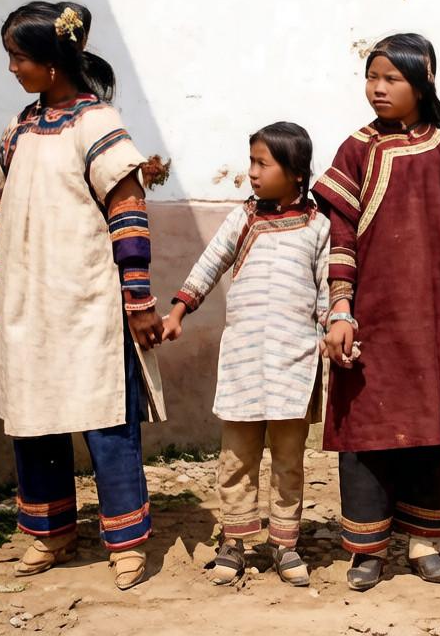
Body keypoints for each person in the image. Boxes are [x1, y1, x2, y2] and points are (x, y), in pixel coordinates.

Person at [0, 1, 165, 590]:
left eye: (19, 57)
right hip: (30, 303)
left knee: (107, 422)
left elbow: (128, 215)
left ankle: (126, 541)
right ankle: (51, 533)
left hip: (88, 305)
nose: (11, 69)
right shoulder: (19, 129)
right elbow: (1, 208)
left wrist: (137, 299)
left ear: (54, 64)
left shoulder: (97, 126)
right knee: (34, 419)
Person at [313, 33, 440, 591]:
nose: (378, 89)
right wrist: (341, 308)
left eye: (391, 78)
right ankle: (368, 547)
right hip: (373, 316)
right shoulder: (356, 149)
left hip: (434, 319)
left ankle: (424, 541)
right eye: (372, 77)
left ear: (423, 81)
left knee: (429, 429)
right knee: (368, 429)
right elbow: (340, 240)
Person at [163, 122, 329, 587]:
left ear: (296, 172)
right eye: (251, 161)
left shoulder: (318, 227)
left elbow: (325, 290)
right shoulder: (244, 218)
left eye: (263, 163)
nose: (252, 172)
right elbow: (210, 263)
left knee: (289, 461)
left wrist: (331, 329)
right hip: (243, 359)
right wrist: (178, 312)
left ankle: (285, 544)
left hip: (293, 361)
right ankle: (234, 541)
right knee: (236, 459)